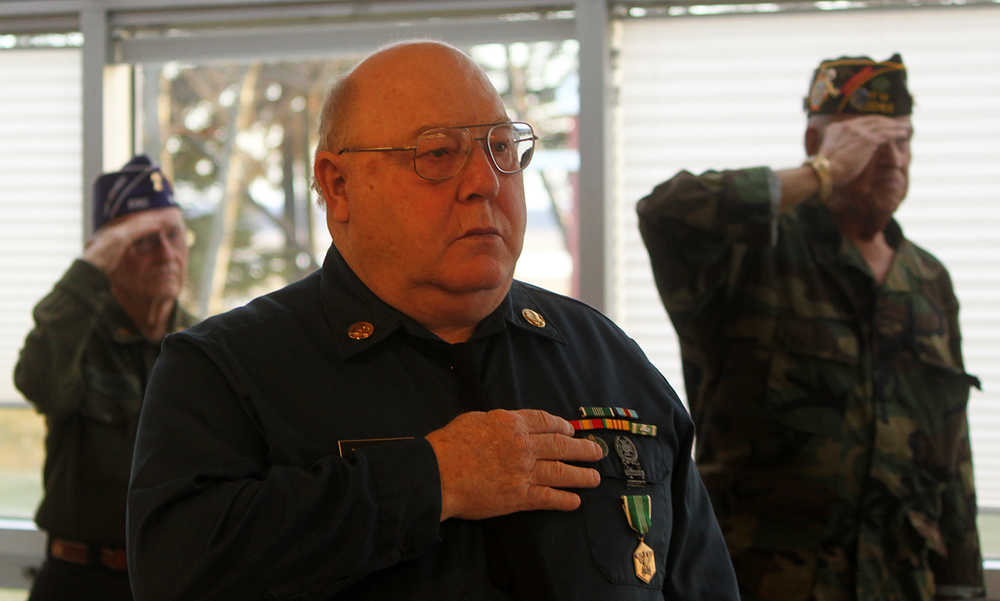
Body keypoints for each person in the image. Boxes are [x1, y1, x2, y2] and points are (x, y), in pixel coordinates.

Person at [126, 41, 739, 601]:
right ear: (337, 186)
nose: (484, 182)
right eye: (438, 154)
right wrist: (432, 481)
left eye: (501, 149)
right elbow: (176, 575)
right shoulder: (226, 372)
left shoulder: (606, 358)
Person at [636, 54, 984, 601]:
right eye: (866, 140)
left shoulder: (929, 280)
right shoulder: (754, 253)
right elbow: (664, 213)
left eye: (903, 140)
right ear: (814, 140)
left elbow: (952, 455)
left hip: (899, 583)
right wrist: (821, 176)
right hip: (762, 581)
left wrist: (962, 588)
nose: (891, 158)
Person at [14, 154, 194, 601]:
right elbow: (37, 381)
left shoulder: (202, 344)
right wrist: (89, 266)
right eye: (144, 242)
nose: (167, 255)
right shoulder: (78, 339)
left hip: (172, 579)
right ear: (108, 255)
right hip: (79, 580)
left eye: (173, 236)